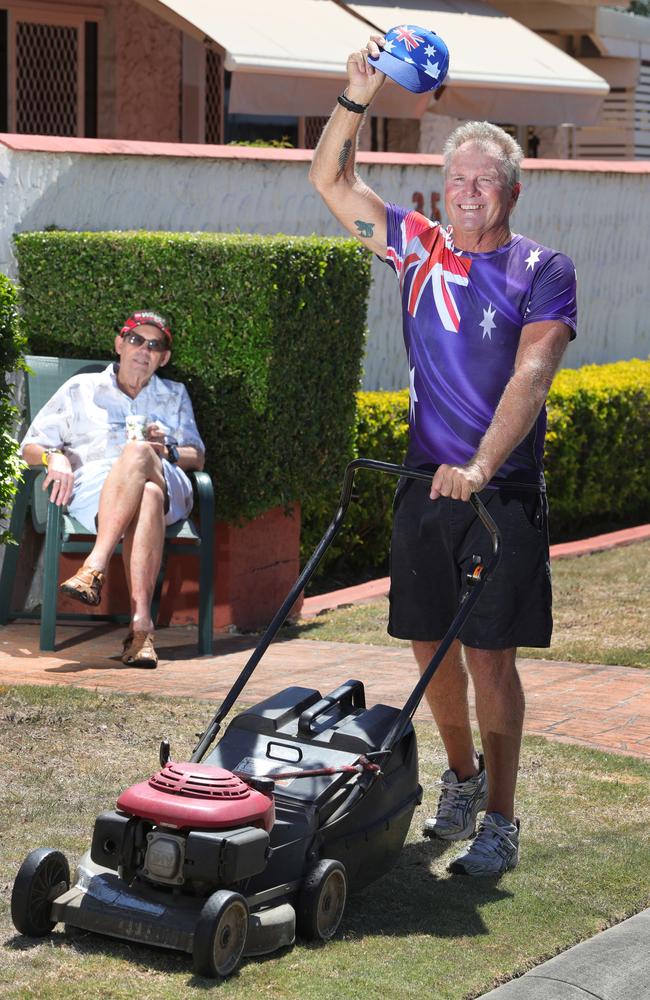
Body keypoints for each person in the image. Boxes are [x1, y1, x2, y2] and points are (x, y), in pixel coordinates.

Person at [309, 36, 577, 875]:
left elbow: (531, 376)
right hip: (427, 480)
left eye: (484, 181)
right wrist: (355, 96)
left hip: (501, 489)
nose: (467, 193)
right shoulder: (417, 245)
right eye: (457, 178)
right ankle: (459, 781)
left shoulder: (543, 269)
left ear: (511, 190)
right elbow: (329, 179)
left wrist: (485, 468)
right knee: (429, 644)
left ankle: (500, 817)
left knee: (491, 654)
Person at [21, 310, 205, 669]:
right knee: (146, 495)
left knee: (139, 453)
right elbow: (30, 447)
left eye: (155, 345)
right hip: (97, 487)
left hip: (170, 482)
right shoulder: (81, 388)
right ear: (120, 343)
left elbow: (195, 455)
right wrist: (52, 457)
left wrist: (165, 449)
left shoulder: (174, 394)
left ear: (164, 357)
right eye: (136, 339)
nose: (144, 350)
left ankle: (95, 565)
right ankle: (141, 630)